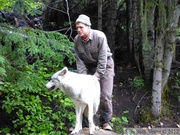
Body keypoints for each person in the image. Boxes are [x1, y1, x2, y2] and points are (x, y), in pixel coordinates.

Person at [74, 14, 115, 130]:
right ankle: (85, 123)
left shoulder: (100, 37)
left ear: (88, 26)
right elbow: (79, 61)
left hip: (106, 66)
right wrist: (84, 78)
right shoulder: (77, 40)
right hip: (89, 66)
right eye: (77, 28)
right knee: (84, 94)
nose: (78, 30)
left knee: (105, 95)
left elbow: (103, 60)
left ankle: (105, 122)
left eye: (81, 27)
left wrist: (96, 77)